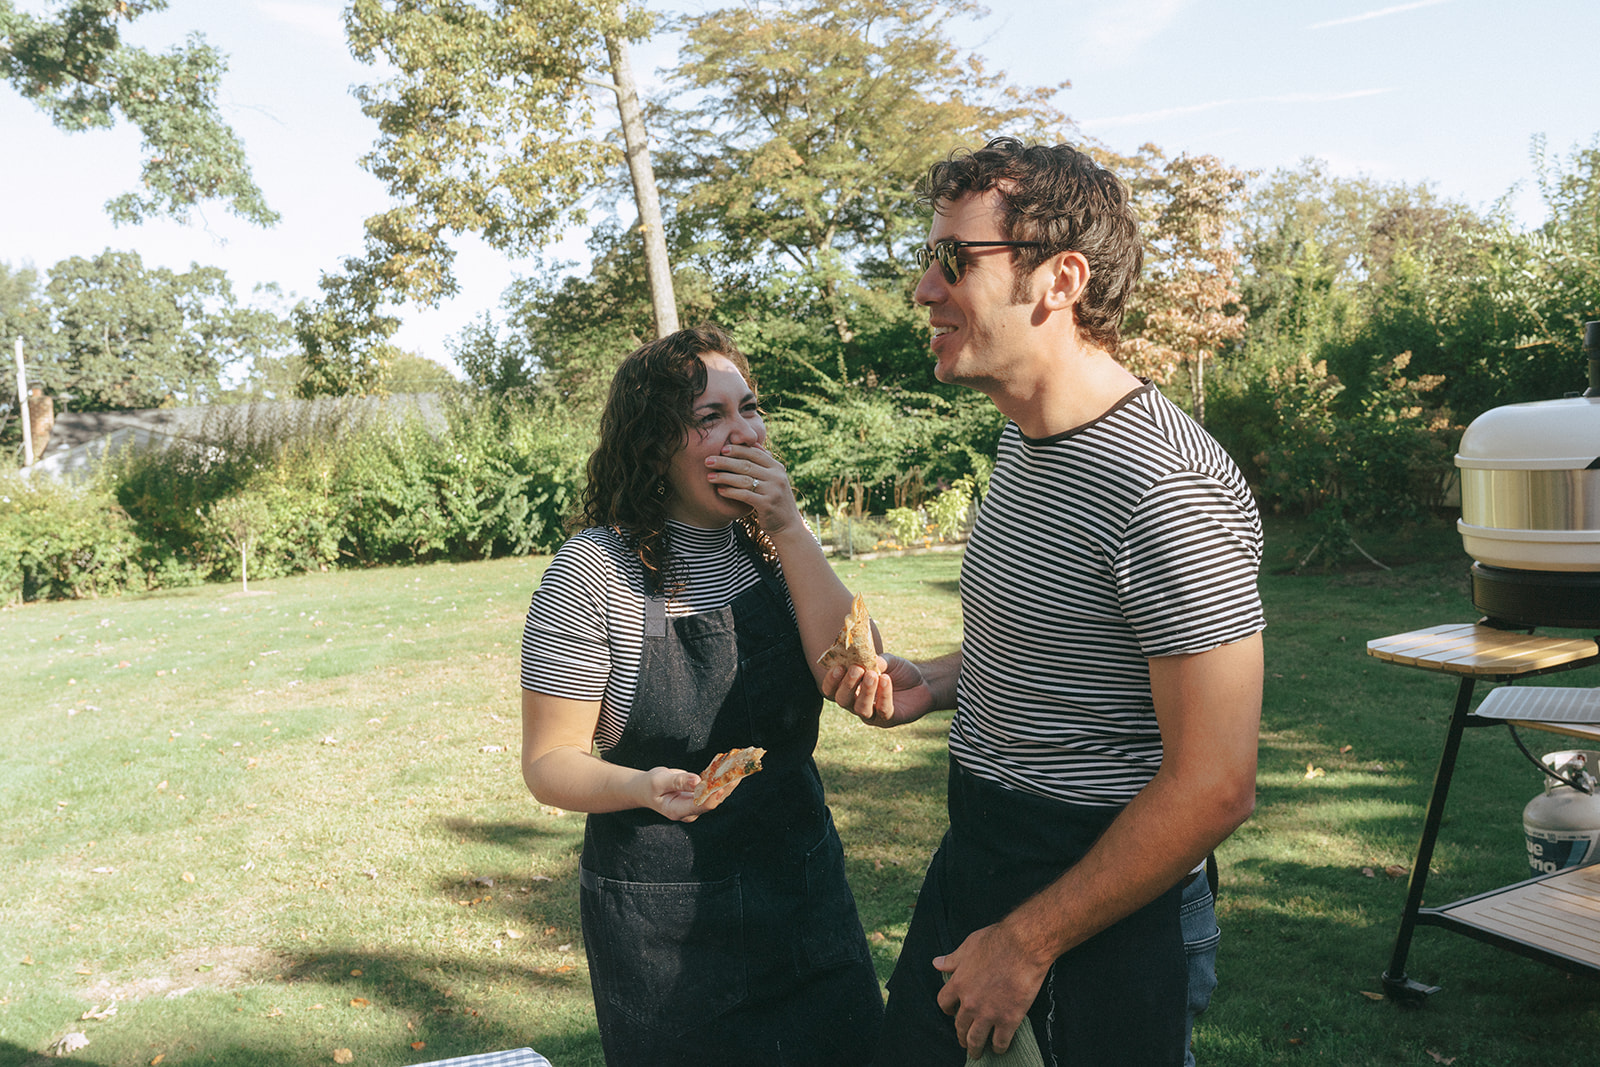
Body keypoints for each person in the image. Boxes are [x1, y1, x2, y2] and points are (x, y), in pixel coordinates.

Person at [828, 137, 1265, 1066]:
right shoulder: (1026, 442)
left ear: (1059, 279)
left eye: (955, 258)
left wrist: (1027, 943)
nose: (924, 289)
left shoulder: (1164, 488)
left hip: (1095, 911)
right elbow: (1070, 645)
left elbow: (1214, 782)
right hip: (980, 858)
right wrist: (939, 679)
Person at [517, 324, 884, 1065]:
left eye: (748, 408)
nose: (743, 430)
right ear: (655, 445)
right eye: (709, 417)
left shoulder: (779, 546)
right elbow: (548, 761)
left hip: (803, 892)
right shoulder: (593, 574)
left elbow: (856, 669)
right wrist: (643, 784)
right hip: (665, 925)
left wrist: (788, 524)